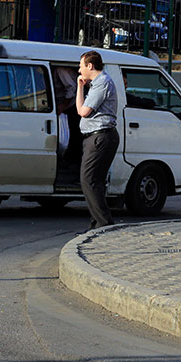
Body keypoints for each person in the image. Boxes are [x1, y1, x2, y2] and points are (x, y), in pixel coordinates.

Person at [76, 51, 119, 229]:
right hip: (95, 137)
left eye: (80, 66)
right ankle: (96, 225)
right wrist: (81, 87)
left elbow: (83, 111)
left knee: (89, 180)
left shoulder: (102, 83)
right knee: (94, 182)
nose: (79, 70)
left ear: (90, 66)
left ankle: (104, 224)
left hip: (100, 137)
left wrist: (79, 88)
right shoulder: (96, 84)